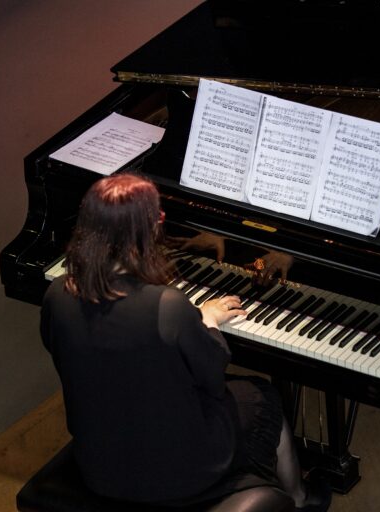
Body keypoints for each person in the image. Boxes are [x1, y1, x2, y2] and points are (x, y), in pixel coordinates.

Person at [39, 173, 331, 511]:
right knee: (263, 395)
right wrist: (207, 322)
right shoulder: (166, 306)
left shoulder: (56, 293)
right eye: (158, 217)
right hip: (177, 472)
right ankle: (298, 498)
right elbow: (212, 378)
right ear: (144, 231)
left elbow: (74, 353)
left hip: (100, 463)